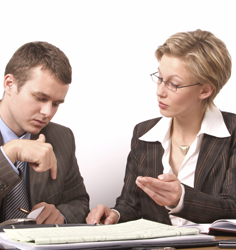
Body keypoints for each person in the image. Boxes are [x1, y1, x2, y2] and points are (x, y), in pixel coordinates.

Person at [86, 29, 236, 226]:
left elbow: (232, 207)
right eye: (159, 78)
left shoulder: (232, 132)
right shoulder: (143, 133)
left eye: (173, 84)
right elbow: (131, 205)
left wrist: (181, 199)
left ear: (205, 90)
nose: (159, 91)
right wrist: (115, 214)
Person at [0, 41, 89, 226]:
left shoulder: (62, 137)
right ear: (10, 84)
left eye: (56, 103)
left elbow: (79, 202)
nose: (47, 112)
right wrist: (11, 152)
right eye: (40, 98)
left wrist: (60, 215)